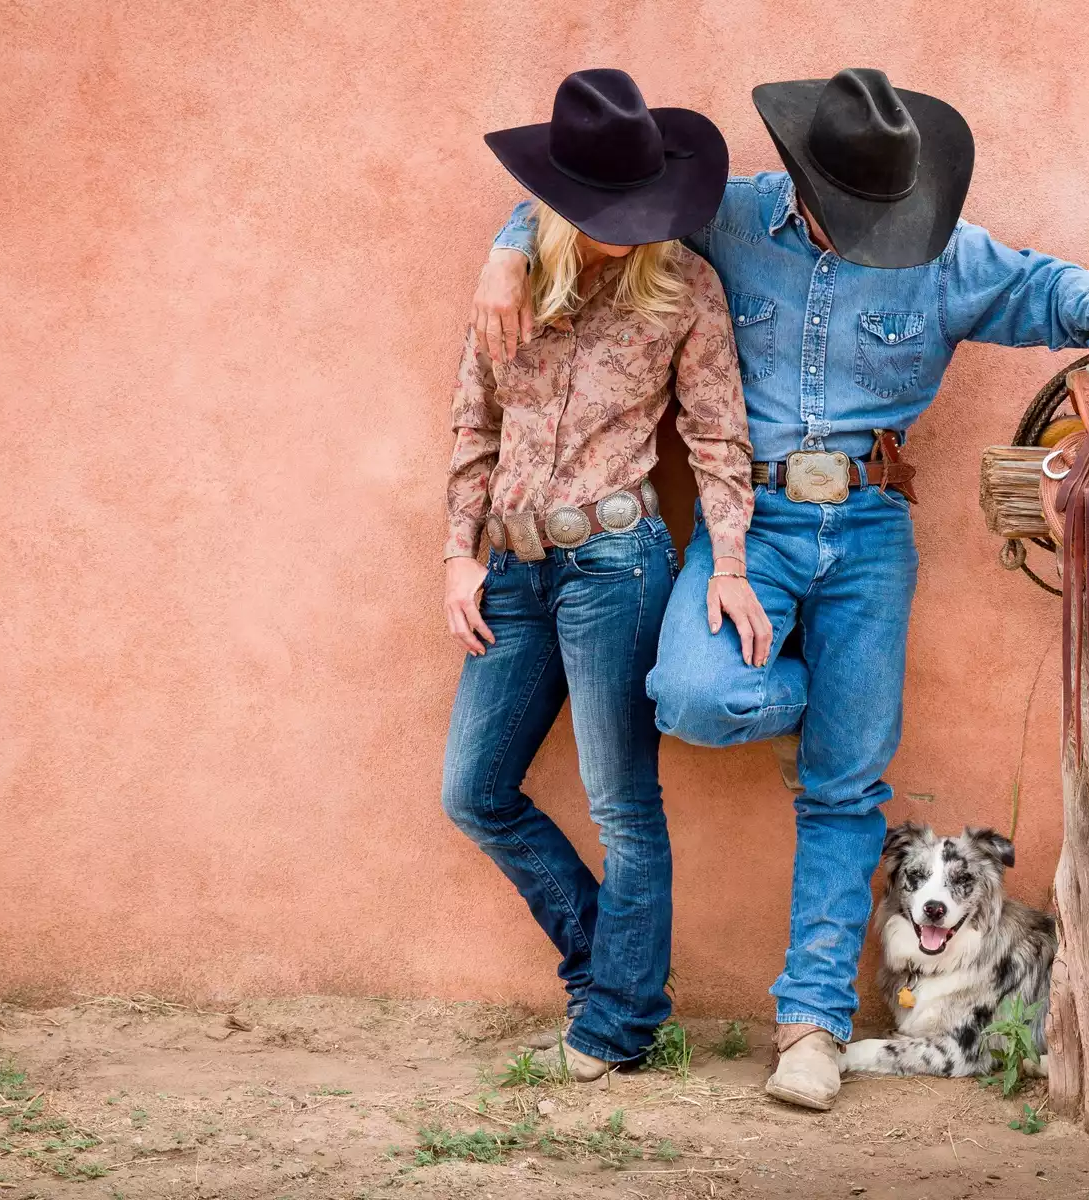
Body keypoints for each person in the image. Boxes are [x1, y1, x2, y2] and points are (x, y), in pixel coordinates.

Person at [475, 67, 1089, 1111]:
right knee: (692, 696)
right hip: (746, 522)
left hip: (872, 526)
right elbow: (602, 194)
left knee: (845, 790)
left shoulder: (945, 249)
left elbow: (1054, 286)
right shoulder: (734, 215)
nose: (865, 233)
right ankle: (824, 708)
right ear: (802, 184)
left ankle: (810, 1025)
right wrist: (512, 242)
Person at [440, 69, 768, 1081]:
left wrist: (731, 563)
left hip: (617, 566)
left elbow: (719, 438)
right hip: (514, 569)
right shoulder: (511, 281)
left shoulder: (686, 287)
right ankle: (613, 970)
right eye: (603, 209)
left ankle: (619, 1020)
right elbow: (473, 422)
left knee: (624, 804)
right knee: (474, 791)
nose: (626, 227)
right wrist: (459, 550)